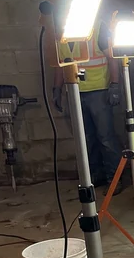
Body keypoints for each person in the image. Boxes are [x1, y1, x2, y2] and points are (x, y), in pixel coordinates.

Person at [53, 18, 123, 192]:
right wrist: (57, 89)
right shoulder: (60, 33)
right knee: (87, 138)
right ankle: (96, 176)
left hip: (99, 91)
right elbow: (61, 65)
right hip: (75, 92)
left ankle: (114, 180)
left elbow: (112, 58)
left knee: (106, 138)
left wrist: (115, 85)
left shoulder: (97, 28)